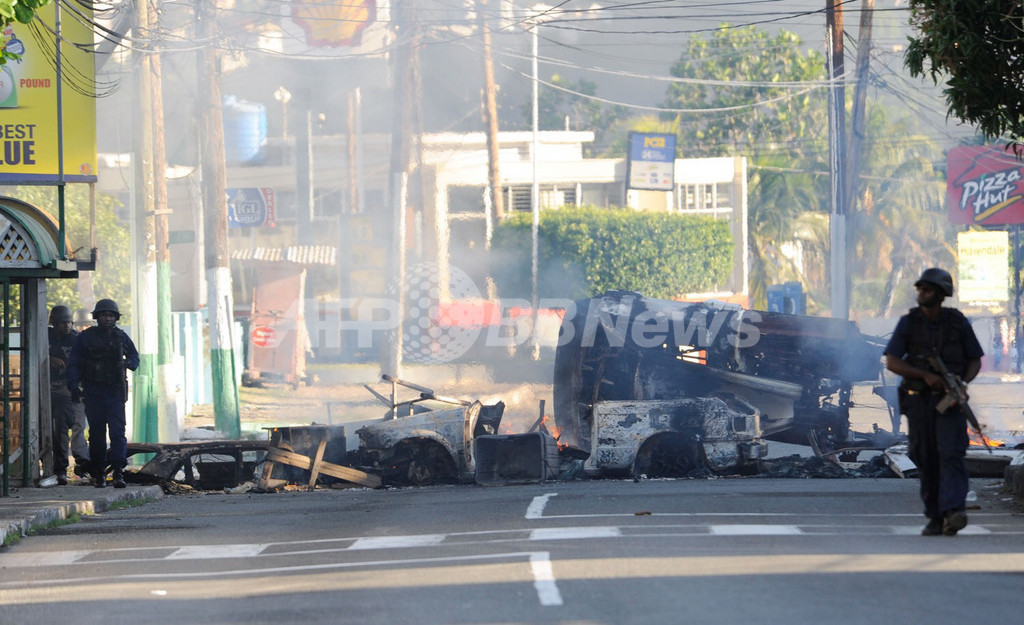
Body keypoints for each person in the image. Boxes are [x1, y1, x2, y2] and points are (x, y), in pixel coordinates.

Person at [884, 268, 984, 536]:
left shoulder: (957, 322)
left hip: (950, 402)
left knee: (951, 453)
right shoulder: (909, 323)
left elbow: (974, 359)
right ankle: (935, 515)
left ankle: (954, 510)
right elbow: (892, 361)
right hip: (918, 402)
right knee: (924, 456)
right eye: (920, 289)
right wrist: (925, 376)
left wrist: (962, 383)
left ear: (940, 294)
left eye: (927, 289)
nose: (921, 293)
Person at [66, 299, 140, 488]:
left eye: (111, 315)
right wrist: (74, 387)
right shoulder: (85, 338)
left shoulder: (121, 337)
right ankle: (99, 472)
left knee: (118, 433)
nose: (107, 318)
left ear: (115, 318)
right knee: (97, 434)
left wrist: (127, 364)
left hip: (114, 391)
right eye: (104, 315)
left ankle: (118, 471)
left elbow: (134, 357)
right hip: (93, 391)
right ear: (97, 317)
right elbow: (74, 363)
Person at [48, 305, 90, 484]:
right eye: (63, 323)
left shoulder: (76, 340)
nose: (67, 326)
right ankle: (59, 468)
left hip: (71, 389)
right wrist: (49, 359)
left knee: (75, 427)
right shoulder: (46, 337)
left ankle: (82, 465)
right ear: (55, 324)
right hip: (47, 389)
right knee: (56, 430)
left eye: (69, 322)